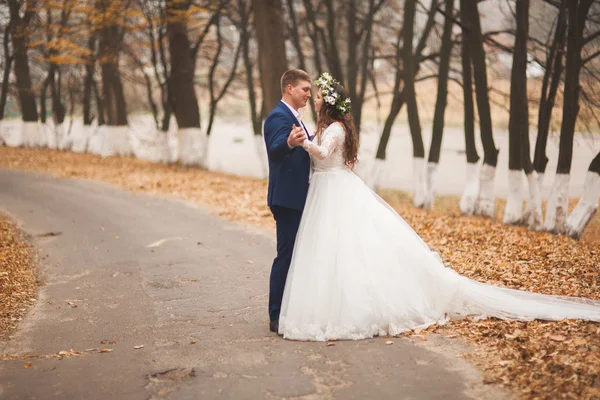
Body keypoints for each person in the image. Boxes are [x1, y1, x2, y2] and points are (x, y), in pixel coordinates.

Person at [278, 72, 600, 341]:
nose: (315, 98)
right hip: (328, 188)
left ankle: (348, 310)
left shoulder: (334, 129)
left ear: (329, 102)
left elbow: (322, 154)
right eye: (313, 94)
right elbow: (350, 158)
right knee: (332, 251)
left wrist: (303, 143)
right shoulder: (329, 127)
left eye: (318, 95)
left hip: (333, 189)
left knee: (348, 249)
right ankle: (332, 305)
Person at [263, 69, 313, 333]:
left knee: (298, 255)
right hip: (287, 200)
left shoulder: (297, 118)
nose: (308, 94)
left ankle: (293, 308)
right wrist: (289, 143)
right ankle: (276, 315)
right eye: (305, 89)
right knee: (286, 255)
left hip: (300, 198)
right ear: (289, 88)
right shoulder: (277, 117)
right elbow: (274, 150)